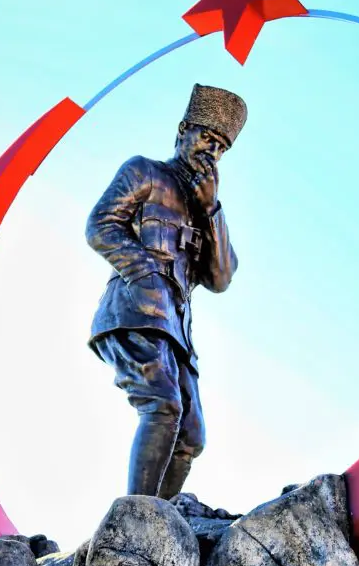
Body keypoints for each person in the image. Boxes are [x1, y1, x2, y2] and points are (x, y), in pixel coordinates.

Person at [86, 83, 247, 497]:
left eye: (221, 148)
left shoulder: (205, 207)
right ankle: (137, 516)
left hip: (177, 329)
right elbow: (101, 225)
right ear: (182, 131)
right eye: (206, 137)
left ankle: (162, 521)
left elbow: (221, 278)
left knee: (192, 437)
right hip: (135, 311)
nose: (211, 151)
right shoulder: (145, 171)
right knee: (162, 407)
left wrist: (212, 208)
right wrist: (145, 276)